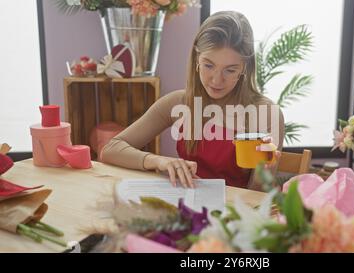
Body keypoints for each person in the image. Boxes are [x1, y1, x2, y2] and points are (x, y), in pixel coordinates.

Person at [101, 11, 285, 190]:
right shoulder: (177, 103)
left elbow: (258, 200)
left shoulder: (266, 114)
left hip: (233, 215)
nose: (216, 80)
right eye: (208, 65)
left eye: (230, 70)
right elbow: (110, 149)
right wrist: (158, 160)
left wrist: (262, 178)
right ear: (196, 59)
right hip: (184, 209)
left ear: (245, 67)